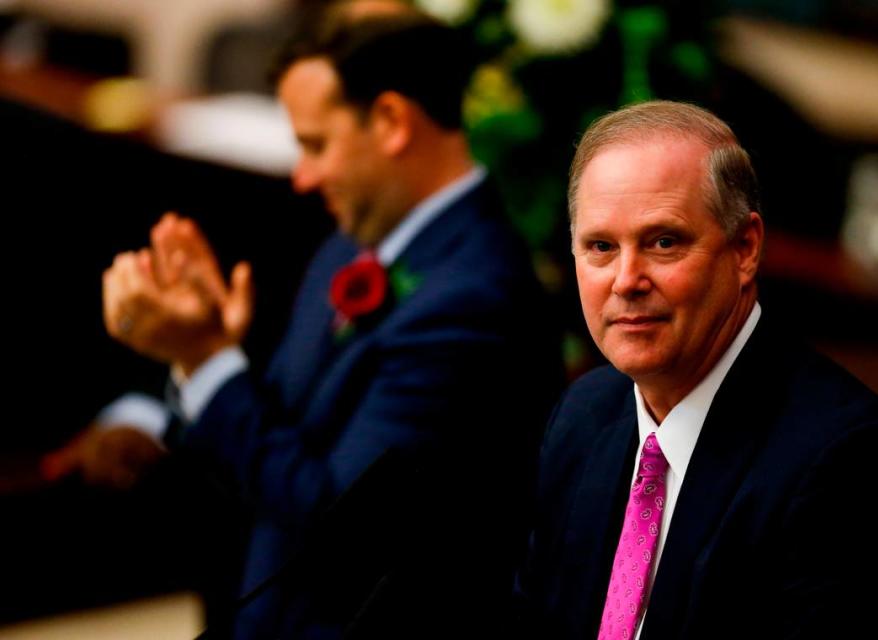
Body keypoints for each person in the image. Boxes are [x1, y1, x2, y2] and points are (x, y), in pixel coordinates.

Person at [95, 5, 561, 638]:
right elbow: (287, 427)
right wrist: (204, 346)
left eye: (316, 143)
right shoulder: (354, 242)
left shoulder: (474, 298)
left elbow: (339, 520)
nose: (302, 175)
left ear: (393, 121)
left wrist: (206, 363)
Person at [514, 101, 878, 639]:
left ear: (745, 248)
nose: (626, 279)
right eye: (601, 247)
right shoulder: (582, 417)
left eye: (663, 242)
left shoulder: (849, 462)